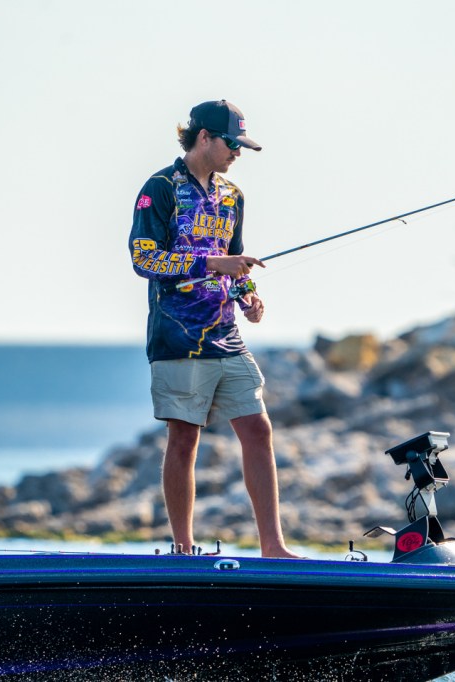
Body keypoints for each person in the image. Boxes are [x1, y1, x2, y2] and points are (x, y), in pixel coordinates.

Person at [128, 100, 300, 559]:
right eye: (232, 143)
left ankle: (273, 547)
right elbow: (143, 258)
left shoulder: (232, 196)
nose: (238, 153)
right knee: (184, 438)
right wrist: (210, 263)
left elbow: (235, 259)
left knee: (258, 429)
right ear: (203, 137)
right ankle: (184, 548)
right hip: (177, 337)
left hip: (226, 334)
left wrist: (248, 297)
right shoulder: (160, 188)